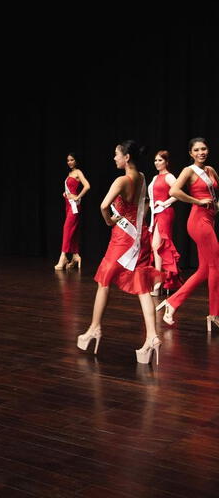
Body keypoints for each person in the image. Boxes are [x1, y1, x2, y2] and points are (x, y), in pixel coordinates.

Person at [77, 141, 163, 364]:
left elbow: (104, 206)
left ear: (126, 157)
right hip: (140, 236)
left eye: (116, 154)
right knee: (143, 285)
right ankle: (152, 337)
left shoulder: (122, 180)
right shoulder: (143, 177)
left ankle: (94, 329)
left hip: (122, 239)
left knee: (104, 280)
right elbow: (142, 203)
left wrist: (109, 221)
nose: (114, 158)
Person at [157, 137, 218, 332]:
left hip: (209, 219)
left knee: (204, 270)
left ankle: (172, 303)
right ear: (191, 153)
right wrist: (197, 201)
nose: (202, 152)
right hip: (198, 221)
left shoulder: (211, 171)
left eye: (204, 149)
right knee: (216, 265)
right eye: (197, 150)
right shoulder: (189, 171)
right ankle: (214, 314)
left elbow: (216, 197)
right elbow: (174, 191)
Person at [148, 150, 181, 297]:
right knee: (156, 246)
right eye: (155, 160)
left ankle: (159, 282)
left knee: (158, 245)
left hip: (166, 213)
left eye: (160, 160)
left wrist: (165, 202)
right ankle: (163, 280)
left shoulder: (169, 176)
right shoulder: (155, 177)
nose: (157, 163)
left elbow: (177, 193)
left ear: (167, 162)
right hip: (156, 213)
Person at [55, 152, 90, 270]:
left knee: (67, 229)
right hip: (68, 205)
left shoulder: (78, 172)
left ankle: (63, 256)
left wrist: (77, 196)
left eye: (72, 160)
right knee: (73, 231)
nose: (69, 162)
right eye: (68, 160)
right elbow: (70, 188)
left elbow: (87, 186)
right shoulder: (70, 173)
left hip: (74, 206)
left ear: (76, 161)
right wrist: (66, 194)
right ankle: (75, 255)